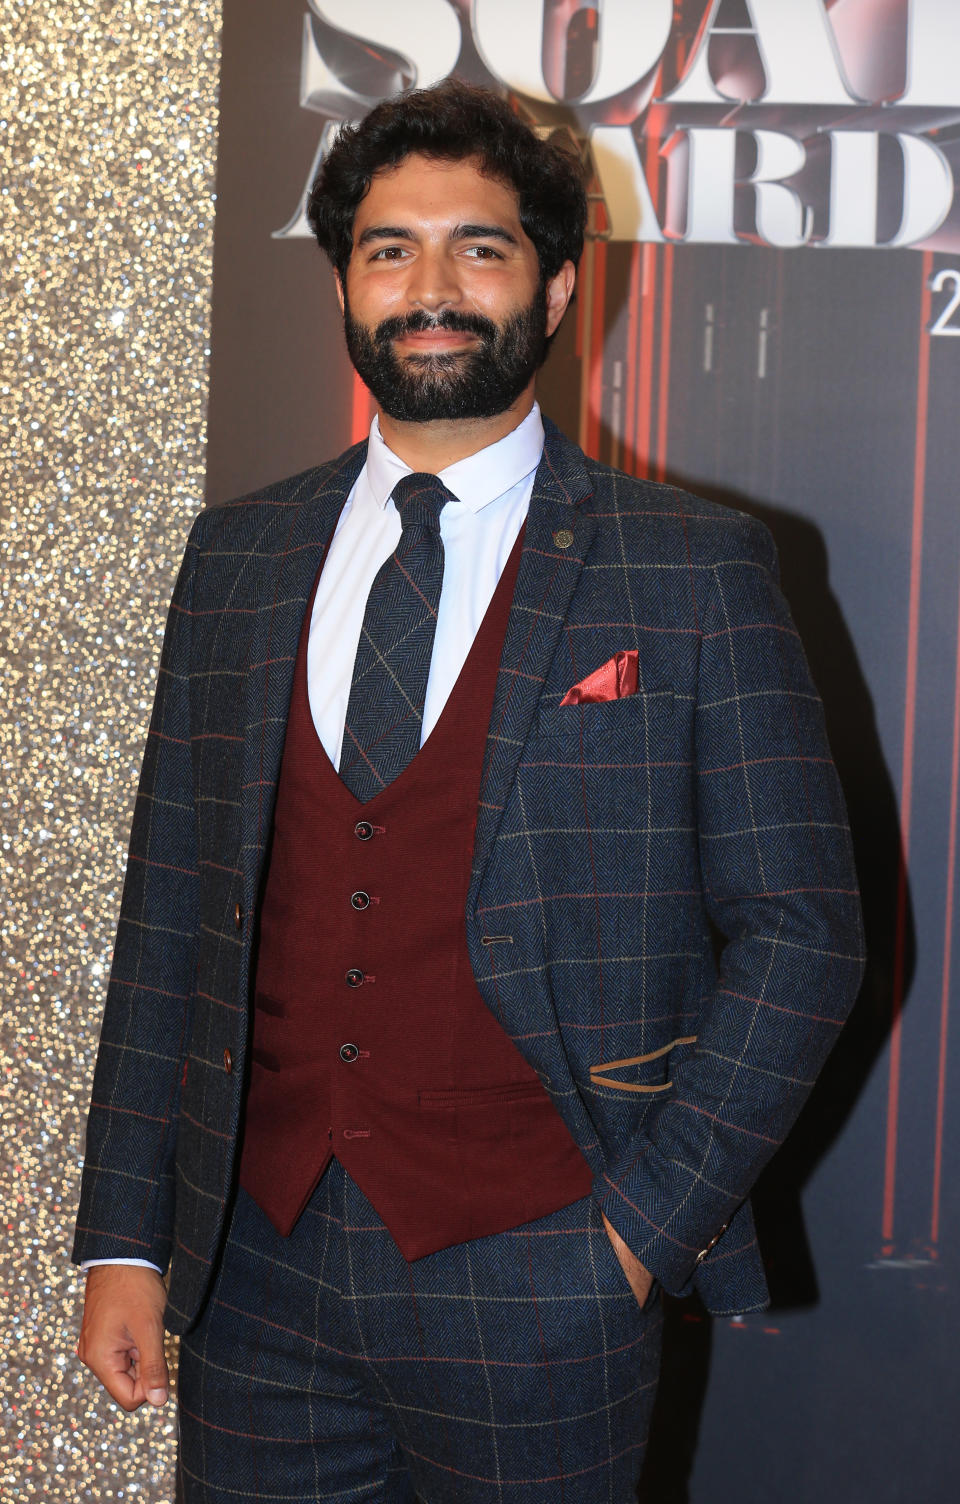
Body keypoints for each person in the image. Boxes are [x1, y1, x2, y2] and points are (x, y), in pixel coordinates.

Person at [74, 80, 864, 1503]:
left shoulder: (693, 573)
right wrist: (125, 1238)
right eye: (390, 251)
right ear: (345, 284)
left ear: (556, 288)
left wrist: (635, 1232)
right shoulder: (237, 559)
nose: (429, 289)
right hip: (254, 1273)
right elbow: (171, 913)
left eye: (478, 250)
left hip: (547, 1278)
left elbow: (806, 932)